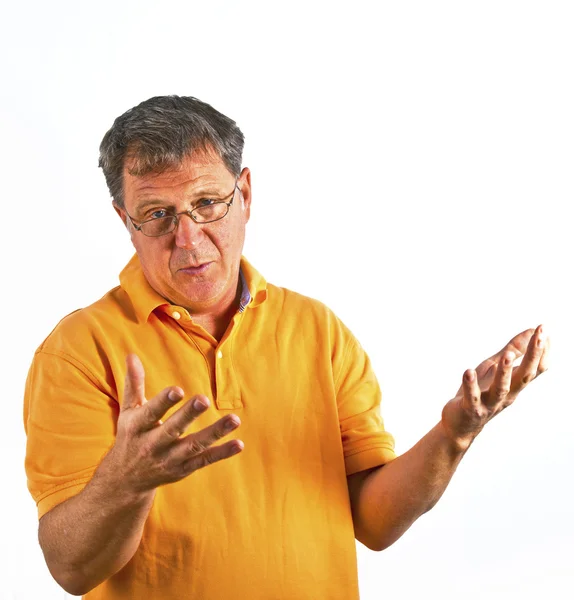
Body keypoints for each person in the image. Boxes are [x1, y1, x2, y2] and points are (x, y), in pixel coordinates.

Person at [24, 95, 549, 600]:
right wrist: (127, 482)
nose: (187, 238)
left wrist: (455, 432)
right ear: (124, 220)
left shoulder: (318, 331)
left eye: (207, 203)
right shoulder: (77, 351)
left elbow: (375, 523)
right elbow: (71, 568)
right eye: (157, 214)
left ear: (245, 195)